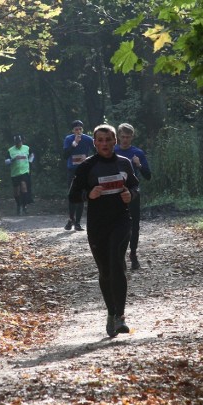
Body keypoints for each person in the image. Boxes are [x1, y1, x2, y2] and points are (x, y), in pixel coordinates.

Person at [68, 124, 139, 338]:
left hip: (121, 221)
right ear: (95, 143)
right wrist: (89, 195)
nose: (105, 144)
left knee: (117, 263)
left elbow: (135, 186)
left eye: (109, 140)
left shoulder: (124, 163)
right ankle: (111, 313)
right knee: (105, 271)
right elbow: (73, 195)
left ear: (115, 141)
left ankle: (121, 317)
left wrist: (131, 195)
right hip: (98, 225)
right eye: (100, 140)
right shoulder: (87, 166)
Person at [114, 123, 151, 270]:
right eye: (122, 137)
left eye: (128, 137)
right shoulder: (112, 151)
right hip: (115, 193)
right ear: (118, 136)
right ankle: (120, 255)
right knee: (117, 226)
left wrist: (139, 165)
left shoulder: (138, 153)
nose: (125, 140)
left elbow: (148, 176)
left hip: (133, 192)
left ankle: (133, 255)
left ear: (132, 137)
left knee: (134, 225)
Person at [62, 120, 94, 231]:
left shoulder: (88, 139)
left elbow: (97, 150)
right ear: (73, 130)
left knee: (81, 196)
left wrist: (90, 160)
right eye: (76, 129)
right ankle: (71, 219)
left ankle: (78, 223)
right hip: (72, 171)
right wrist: (74, 143)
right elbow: (65, 155)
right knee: (72, 196)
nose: (78, 131)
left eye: (80, 129)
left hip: (84, 171)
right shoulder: (68, 139)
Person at [5, 134, 34, 215]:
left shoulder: (27, 148)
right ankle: (18, 205)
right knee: (16, 192)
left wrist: (30, 162)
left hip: (24, 172)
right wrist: (12, 159)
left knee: (24, 187)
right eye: (17, 143)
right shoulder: (10, 150)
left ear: (22, 141)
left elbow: (32, 155)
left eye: (20, 142)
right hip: (15, 173)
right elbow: (6, 161)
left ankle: (25, 206)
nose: (19, 144)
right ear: (15, 143)